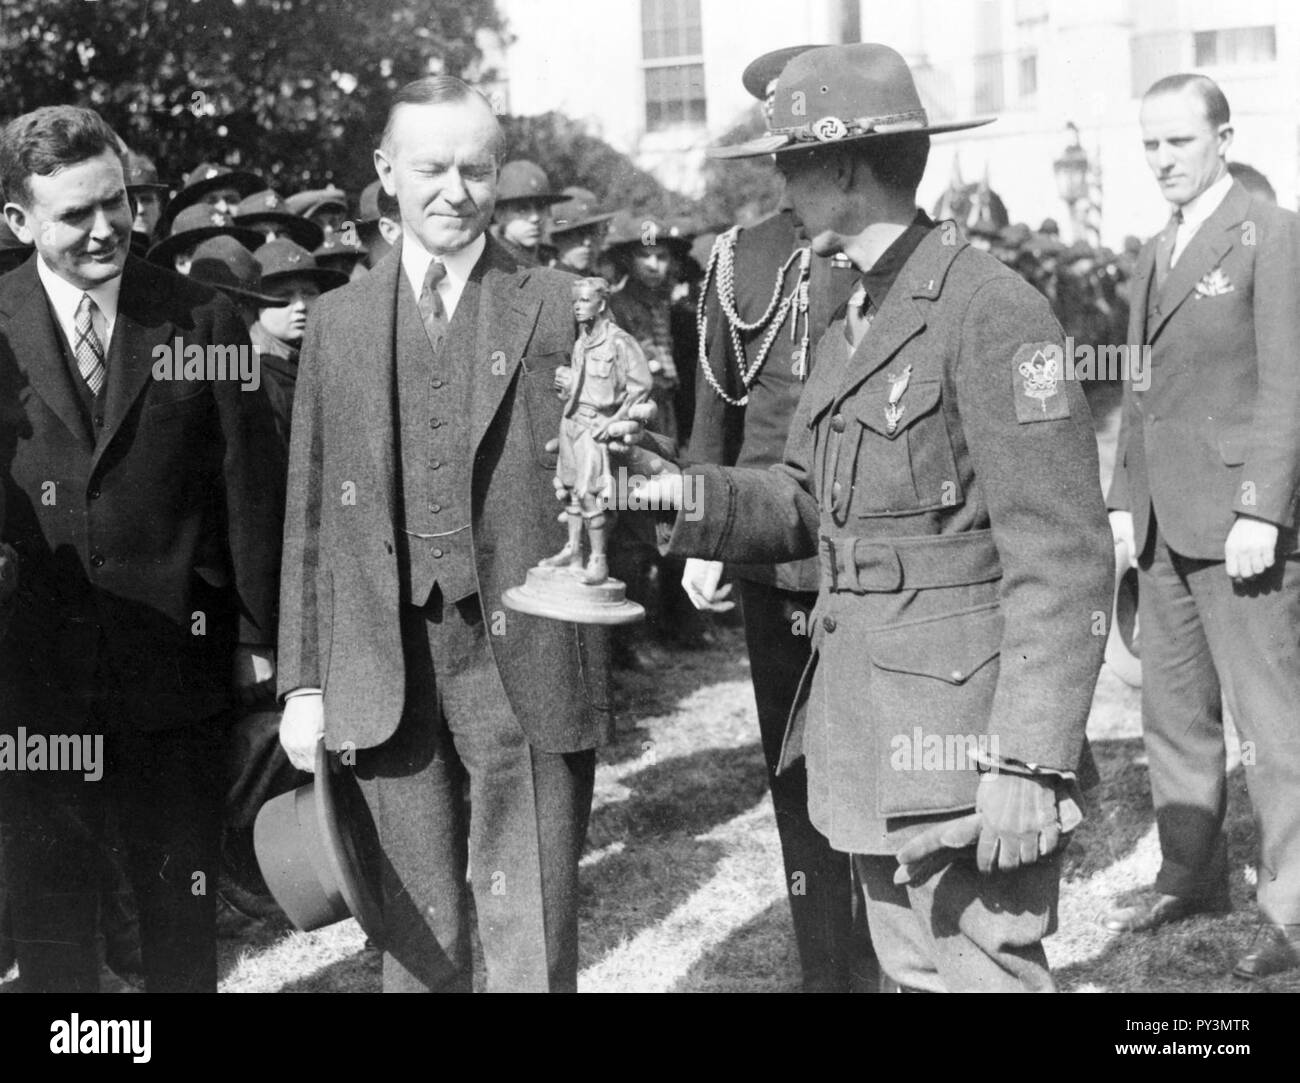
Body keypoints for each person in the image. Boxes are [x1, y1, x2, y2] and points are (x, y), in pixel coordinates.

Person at [641, 43, 1113, 992]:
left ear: (847, 167)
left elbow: (1063, 555)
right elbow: (808, 503)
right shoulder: (857, 310)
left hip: (963, 739)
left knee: (981, 974)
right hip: (868, 731)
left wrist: (1028, 760)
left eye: (789, 160)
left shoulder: (989, 310)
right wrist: (676, 494)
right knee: (914, 973)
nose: (778, 181)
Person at [277, 75, 632, 992]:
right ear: (386, 172)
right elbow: (311, 513)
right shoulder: (340, 320)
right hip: (383, 656)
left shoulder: (562, 304)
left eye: (476, 169)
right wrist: (305, 677)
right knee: (416, 929)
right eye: (431, 168)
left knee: (529, 916)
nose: (456, 191)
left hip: (530, 643)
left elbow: (628, 449)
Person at [0, 105, 284, 992]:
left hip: (176, 675)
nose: (104, 228)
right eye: (74, 214)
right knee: (52, 920)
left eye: (115, 203)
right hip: (32, 687)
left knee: (178, 917)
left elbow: (251, 492)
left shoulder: (202, 319)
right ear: (17, 221)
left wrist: (263, 644)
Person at [683, 42, 885, 993]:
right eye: (785, 134)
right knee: (794, 774)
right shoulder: (739, 257)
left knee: (887, 766)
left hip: (879, 553)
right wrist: (698, 528)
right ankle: (825, 967)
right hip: (775, 553)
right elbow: (712, 406)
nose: (792, 151)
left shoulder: (893, 248)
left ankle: (895, 958)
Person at [1103, 74, 1300, 980]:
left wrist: (1264, 504)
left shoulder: (1272, 232)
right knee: (1174, 711)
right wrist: (1118, 498)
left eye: (1178, 142)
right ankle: (1190, 869)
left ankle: (1294, 906)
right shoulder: (1154, 249)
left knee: (1273, 723)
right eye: (1150, 144)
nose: (1162, 160)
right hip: (1160, 521)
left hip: (1238, 524)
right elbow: (1140, 395)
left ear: (1223, 135)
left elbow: (1289, 384)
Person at [542, 277, 651, 584]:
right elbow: (582, 387)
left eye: (584, 301)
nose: (577, 306)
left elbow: (640, 387)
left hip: (596, 425)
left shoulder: (619, 341)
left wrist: (614, 420)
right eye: (575, 301)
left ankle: (598, 560)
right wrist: (566, 385)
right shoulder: (581, 341)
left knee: (591, 494)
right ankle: (573, 551)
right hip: (573, 421)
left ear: (602, 304)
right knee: (569, 492)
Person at [249, 238, 348, 448]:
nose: (301, 306)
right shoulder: (251, 368)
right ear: (256, 304)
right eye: (284, 297)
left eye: (309, 293)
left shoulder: (336, 354)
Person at [490, 160, 564, 267]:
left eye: (540, 207)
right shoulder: (496, 264)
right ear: (500, 215)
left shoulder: (551, 260)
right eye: (522, 209)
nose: (535, 217)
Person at [547, 187, 615, 276]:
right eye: (578, 234)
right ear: (557, 239)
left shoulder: (599, 283)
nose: (587, 242)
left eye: (593, 233)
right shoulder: (548, 283)